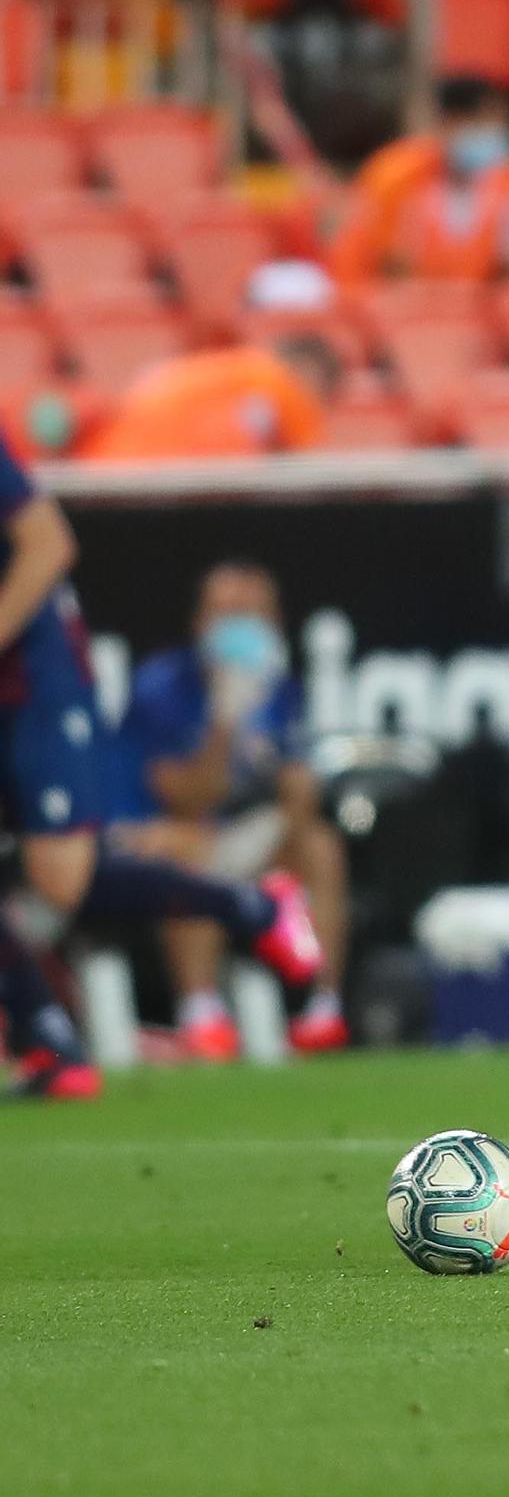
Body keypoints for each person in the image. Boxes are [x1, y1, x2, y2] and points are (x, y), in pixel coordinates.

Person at [0, 438, 323, 1098]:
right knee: (55, 876)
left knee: (61, 876)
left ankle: (252, 908)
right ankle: (48, 1045)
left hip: (31, 671)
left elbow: (48, 543)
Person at [114, 562, 349, 1058]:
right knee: (190, 851)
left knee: (320, 847)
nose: (238, 627)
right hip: (165, 839)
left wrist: (294, 789)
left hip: (248, 839)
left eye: (251, 614)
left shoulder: (280, 690)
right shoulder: (164, 684)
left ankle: (317, 1004)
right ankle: (202, 1012)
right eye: (226, 613)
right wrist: (223, 725)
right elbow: (184, 796)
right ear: (200, 623)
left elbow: (295, 797)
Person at [328, 74, 509, 283]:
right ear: (450, 122)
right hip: (385, 303)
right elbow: (378, 257)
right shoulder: (397, 175)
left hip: (472, 309)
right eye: (486, 122)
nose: (496, 133)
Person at [79, 334, 336, 463]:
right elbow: (306, 467)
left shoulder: (210, 370)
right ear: (308, 374)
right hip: (158, 485)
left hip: (106, 471)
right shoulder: (274, 378)